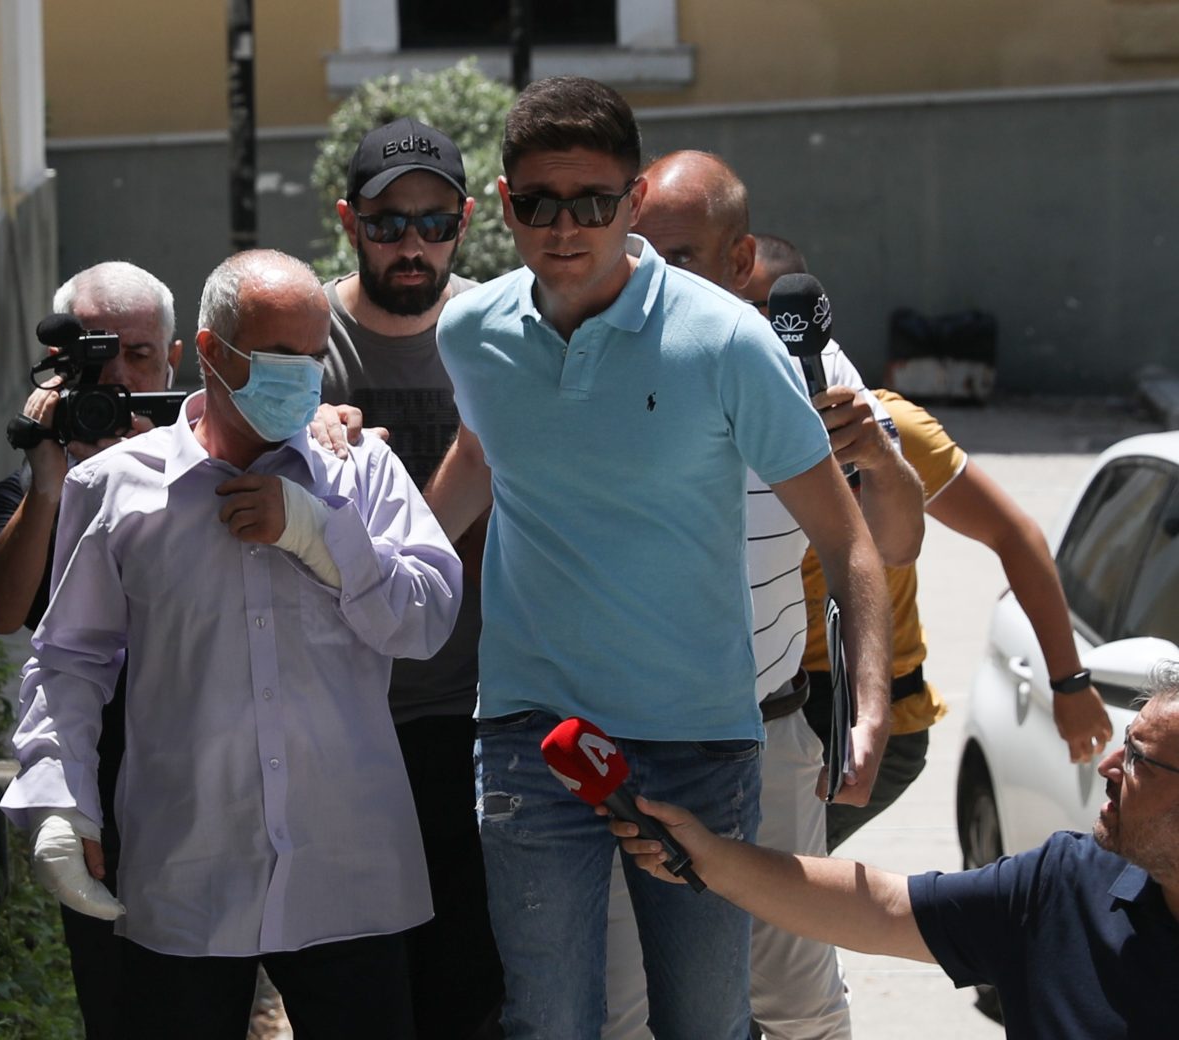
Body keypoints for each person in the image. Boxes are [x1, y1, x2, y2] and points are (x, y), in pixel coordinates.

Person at [424, 77, 892, 1039]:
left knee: (705, 1022)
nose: (566, 227)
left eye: (593, 201)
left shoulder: (727, 339)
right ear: (504, 205)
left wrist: (871, 703)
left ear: (633, 201)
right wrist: (395, 564)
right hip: (533, 729)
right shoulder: (469, 333)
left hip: (697, 741)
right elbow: (482, 451)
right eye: (539, 204)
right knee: (550, 1022)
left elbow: (847, 537)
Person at [0, 248, 462, 1039]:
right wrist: (57, 799)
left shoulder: (358, 472)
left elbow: (427, 618)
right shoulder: (114, 487)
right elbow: (71, 658)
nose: (302, 377)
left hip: (345, 869)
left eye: (314, 356)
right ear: (212, 352)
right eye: (279, 355)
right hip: (188, 865)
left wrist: (322, 536)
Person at [597, 153, 925, 1040]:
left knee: (795, 1003)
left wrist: (876, 457)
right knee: (624, 1012)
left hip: (765, 735)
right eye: (639, 253)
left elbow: (891, 545)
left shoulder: (805, 365)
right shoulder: (589, 350)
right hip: (621, 740)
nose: (655, 278)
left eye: (682, 257)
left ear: (742, 261)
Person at [754, 241, 1116, 851]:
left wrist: (1070, 682)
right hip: (757, 703)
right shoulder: (714, 423)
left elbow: (1012, 534)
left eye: (762, 313)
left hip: (858, 713)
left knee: (763, 886)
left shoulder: (881, 427)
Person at [610, 660, 1179, 1039]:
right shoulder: (1065, 882)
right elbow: (885, 909)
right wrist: (711, 858)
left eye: (1139, 760)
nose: (1108, 766)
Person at [320, 117, 504, 1038]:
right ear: (349, 222)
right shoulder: (306, 339)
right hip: (347, 716)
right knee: (363, 992)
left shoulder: (503, 330)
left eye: (434, 224)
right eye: (387, 224)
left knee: (470, 989)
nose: (412, 245)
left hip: (479, 710)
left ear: (465, 222)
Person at [0, 260, 182, 1038]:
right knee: (119, 1008)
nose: (119, 381)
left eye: (139, 357)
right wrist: (51, 482)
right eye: (97, 361)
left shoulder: (207, 470)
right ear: (58, 370)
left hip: (211, 784)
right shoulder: (29, 494)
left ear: (175, 362)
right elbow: (0, 610)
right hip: (102, 796)